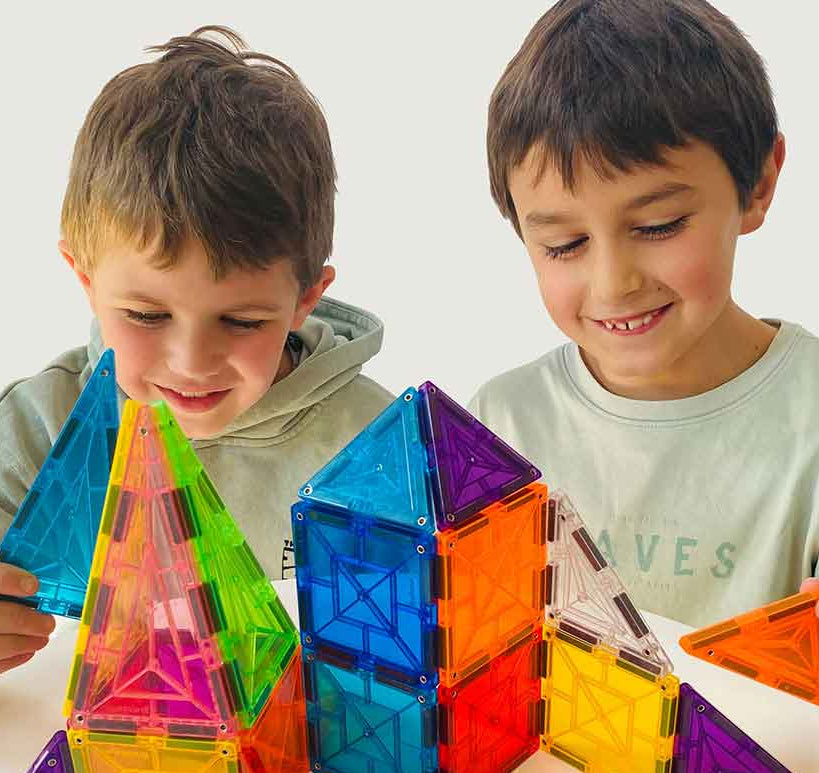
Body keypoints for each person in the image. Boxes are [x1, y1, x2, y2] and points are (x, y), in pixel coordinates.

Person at [0, 26, 393, 675]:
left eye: (241, 320)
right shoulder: (37, 428)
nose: (191, 361)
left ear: (305, 298)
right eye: (147, 314)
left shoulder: (375, 447)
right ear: (85, 278)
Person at [469, 0, 819, 627]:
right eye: (564, 245)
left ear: (759, 183)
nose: (614, 283)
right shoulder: (501, 427)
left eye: (658, 226)